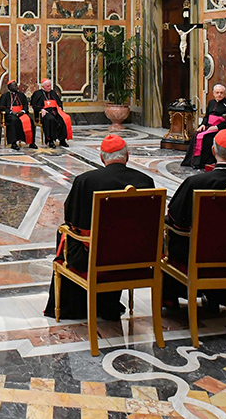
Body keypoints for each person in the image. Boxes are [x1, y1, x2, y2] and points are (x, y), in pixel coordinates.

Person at [43, 135, 155, 321]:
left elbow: (72, 219)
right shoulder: (145, 181)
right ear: (127, 156)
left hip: (95, 259)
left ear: (102, 158)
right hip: (137, 258)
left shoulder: (86, 181)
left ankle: (73, 307)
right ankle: (109, 304)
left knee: (65, 231)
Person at [165, 129, 226, 308]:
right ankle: (220, 297)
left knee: (175, 239)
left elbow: (177, 219)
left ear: (213, 151)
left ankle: (171, 298)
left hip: (198, 257)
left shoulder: (196, 183)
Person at [181, 84, 226, 169]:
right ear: (213, 93)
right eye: (217, 92)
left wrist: (217, 127)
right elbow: (207, 116)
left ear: (225, 93)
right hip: (208, 126)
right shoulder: (211, 103)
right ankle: (192, 161)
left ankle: (203, 162)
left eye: (221, 93)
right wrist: (203, 124)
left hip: (220, 128)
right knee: (196, 135)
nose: (219, 95)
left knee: (206, 138)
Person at [31, 79, 72, 147]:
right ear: (43, 87)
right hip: (45, 113)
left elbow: (59, 102)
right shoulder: (37, 93)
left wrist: (60, 107)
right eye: (48, 86)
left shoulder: (53, 93)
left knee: (62, 120)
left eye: (50, 86)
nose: (49, 87)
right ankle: (51, 140)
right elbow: (34, 105)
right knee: (50, 120)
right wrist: (41, 109)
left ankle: (62, 140)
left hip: (55, 112)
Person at [0, 80, 37, 151]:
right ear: (9, 87)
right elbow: (2, 107)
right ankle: (13, 143)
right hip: (10, 115)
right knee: (14, 121)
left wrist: (22, 111)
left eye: (16, 85)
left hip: (21, 114)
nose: (16, 87)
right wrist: (11, 112)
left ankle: (31, 142)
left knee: (30, 121)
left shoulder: (21, 95)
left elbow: (25, 106)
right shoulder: (5, 96)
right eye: (14, 85)